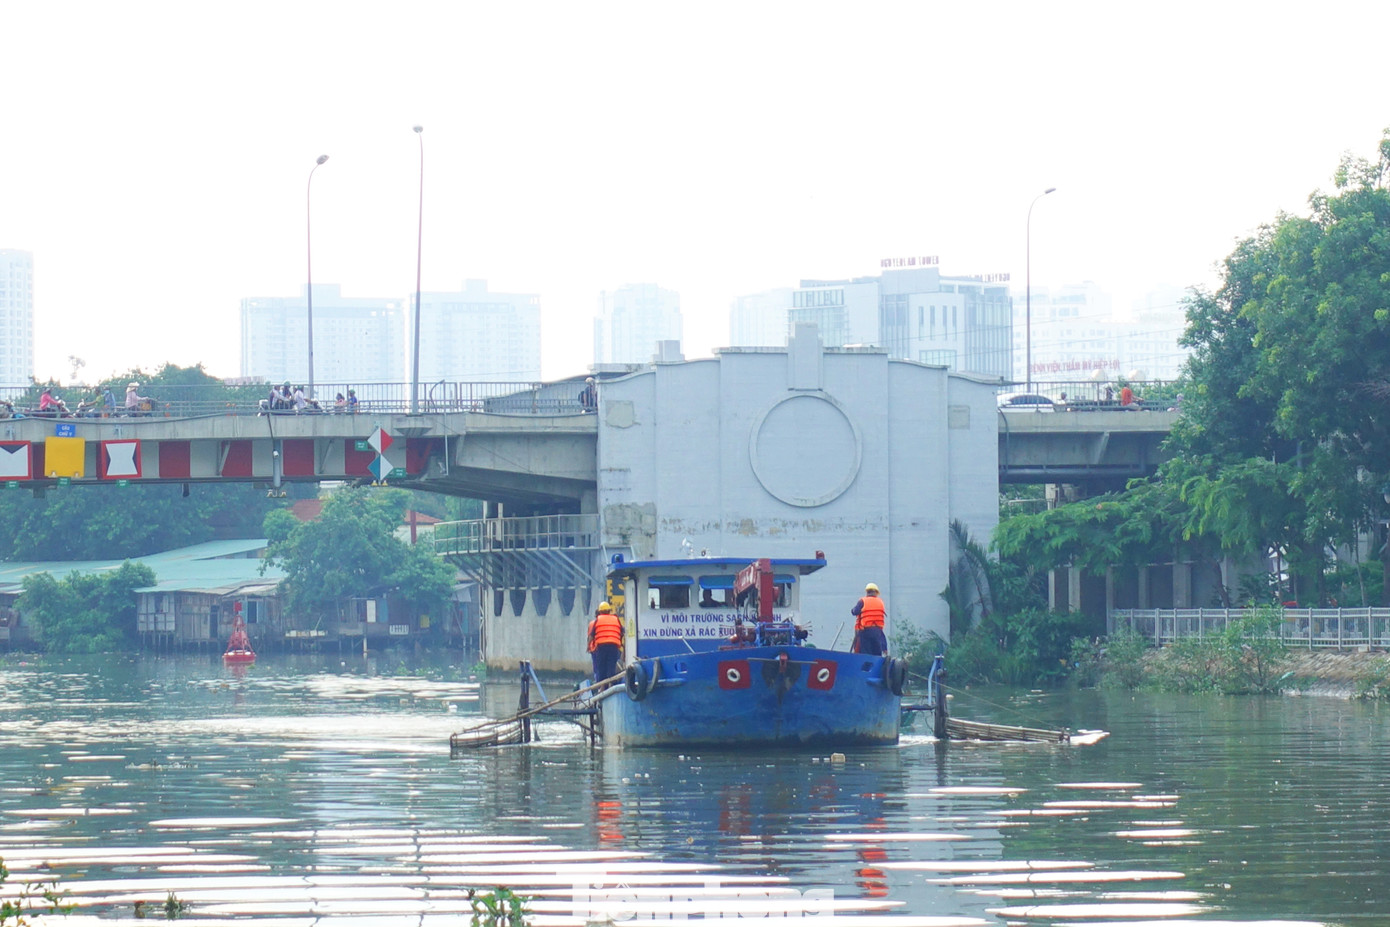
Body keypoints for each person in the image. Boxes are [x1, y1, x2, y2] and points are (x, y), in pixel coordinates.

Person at [587, 601, 624, 685]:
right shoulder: (616, 619)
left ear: (600, 612)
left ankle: (603, 688)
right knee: (611, 667)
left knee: (601, 669)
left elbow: (591, 636)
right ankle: (613, 686)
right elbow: (622, 633)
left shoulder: (598, 620)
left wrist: (588, 646)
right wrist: (621, 644)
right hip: (613, 647)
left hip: (601, 647)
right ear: (609, 611)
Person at [850, 582, 887, 656]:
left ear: (867, 592)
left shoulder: (862, 601)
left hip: (865, 631)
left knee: (865, 653)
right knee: (876, 652)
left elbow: (855, 612)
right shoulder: (881, 602)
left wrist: (853, 610)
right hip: (877, 631)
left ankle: (866, 666)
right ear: (876, 593)